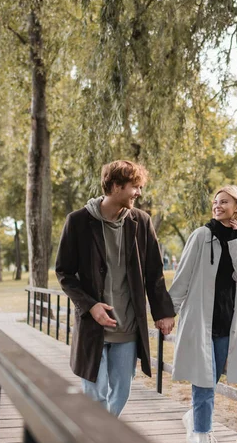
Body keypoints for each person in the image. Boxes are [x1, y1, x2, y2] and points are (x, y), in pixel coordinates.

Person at [56, 160, 175, 416]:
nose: (139, 193)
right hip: (93, 325)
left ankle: (103, 439)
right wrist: (90, 306)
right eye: (135, 187)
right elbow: (64, 273)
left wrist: (163, 312)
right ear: (116, 186)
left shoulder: (141, 222)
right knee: (95, 394)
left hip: (129, 326)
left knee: (121, 391)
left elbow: (154, 273)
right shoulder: (78, 222)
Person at [166, 185, 237, 443]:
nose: (218, 206)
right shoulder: (201, 236)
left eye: (224, 202)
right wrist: (168, 313)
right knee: (204, 385)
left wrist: (235, 242)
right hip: (200, 322)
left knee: (211, 382)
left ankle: (192, 418)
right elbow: (182, 279)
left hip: (227, 324)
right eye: (215, 201)